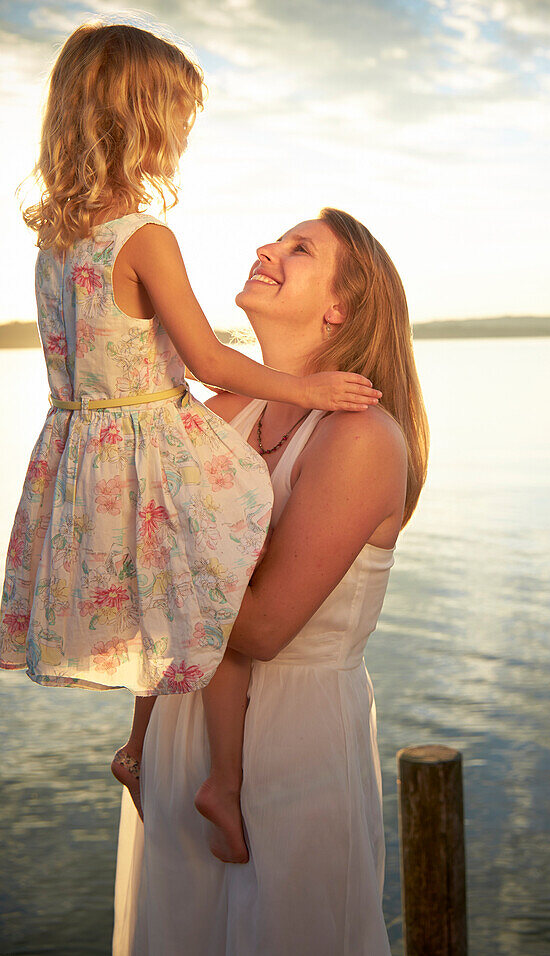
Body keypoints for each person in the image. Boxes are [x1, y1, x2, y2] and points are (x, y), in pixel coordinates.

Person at [0, 24, 380, 866]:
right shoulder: (143, 236)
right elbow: (207, 359)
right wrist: (310, 390)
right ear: (142, 120)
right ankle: (223, 777)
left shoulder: (55, 241)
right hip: (150, 435)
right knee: (226, 568)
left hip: (81, 450)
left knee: (159, 597)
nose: (183, 137)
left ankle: (138, 746)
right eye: (179, 117)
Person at [113, 207, 429, 956]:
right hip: (177, 731)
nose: (265, 249)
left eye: (299, 249)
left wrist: (150, 542)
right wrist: (139, 742)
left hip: (294, 742)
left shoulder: (360, 438)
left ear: (339, 308)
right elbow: (158, 605)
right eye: (274, 239)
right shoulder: (216, 412)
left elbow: (258, 629)